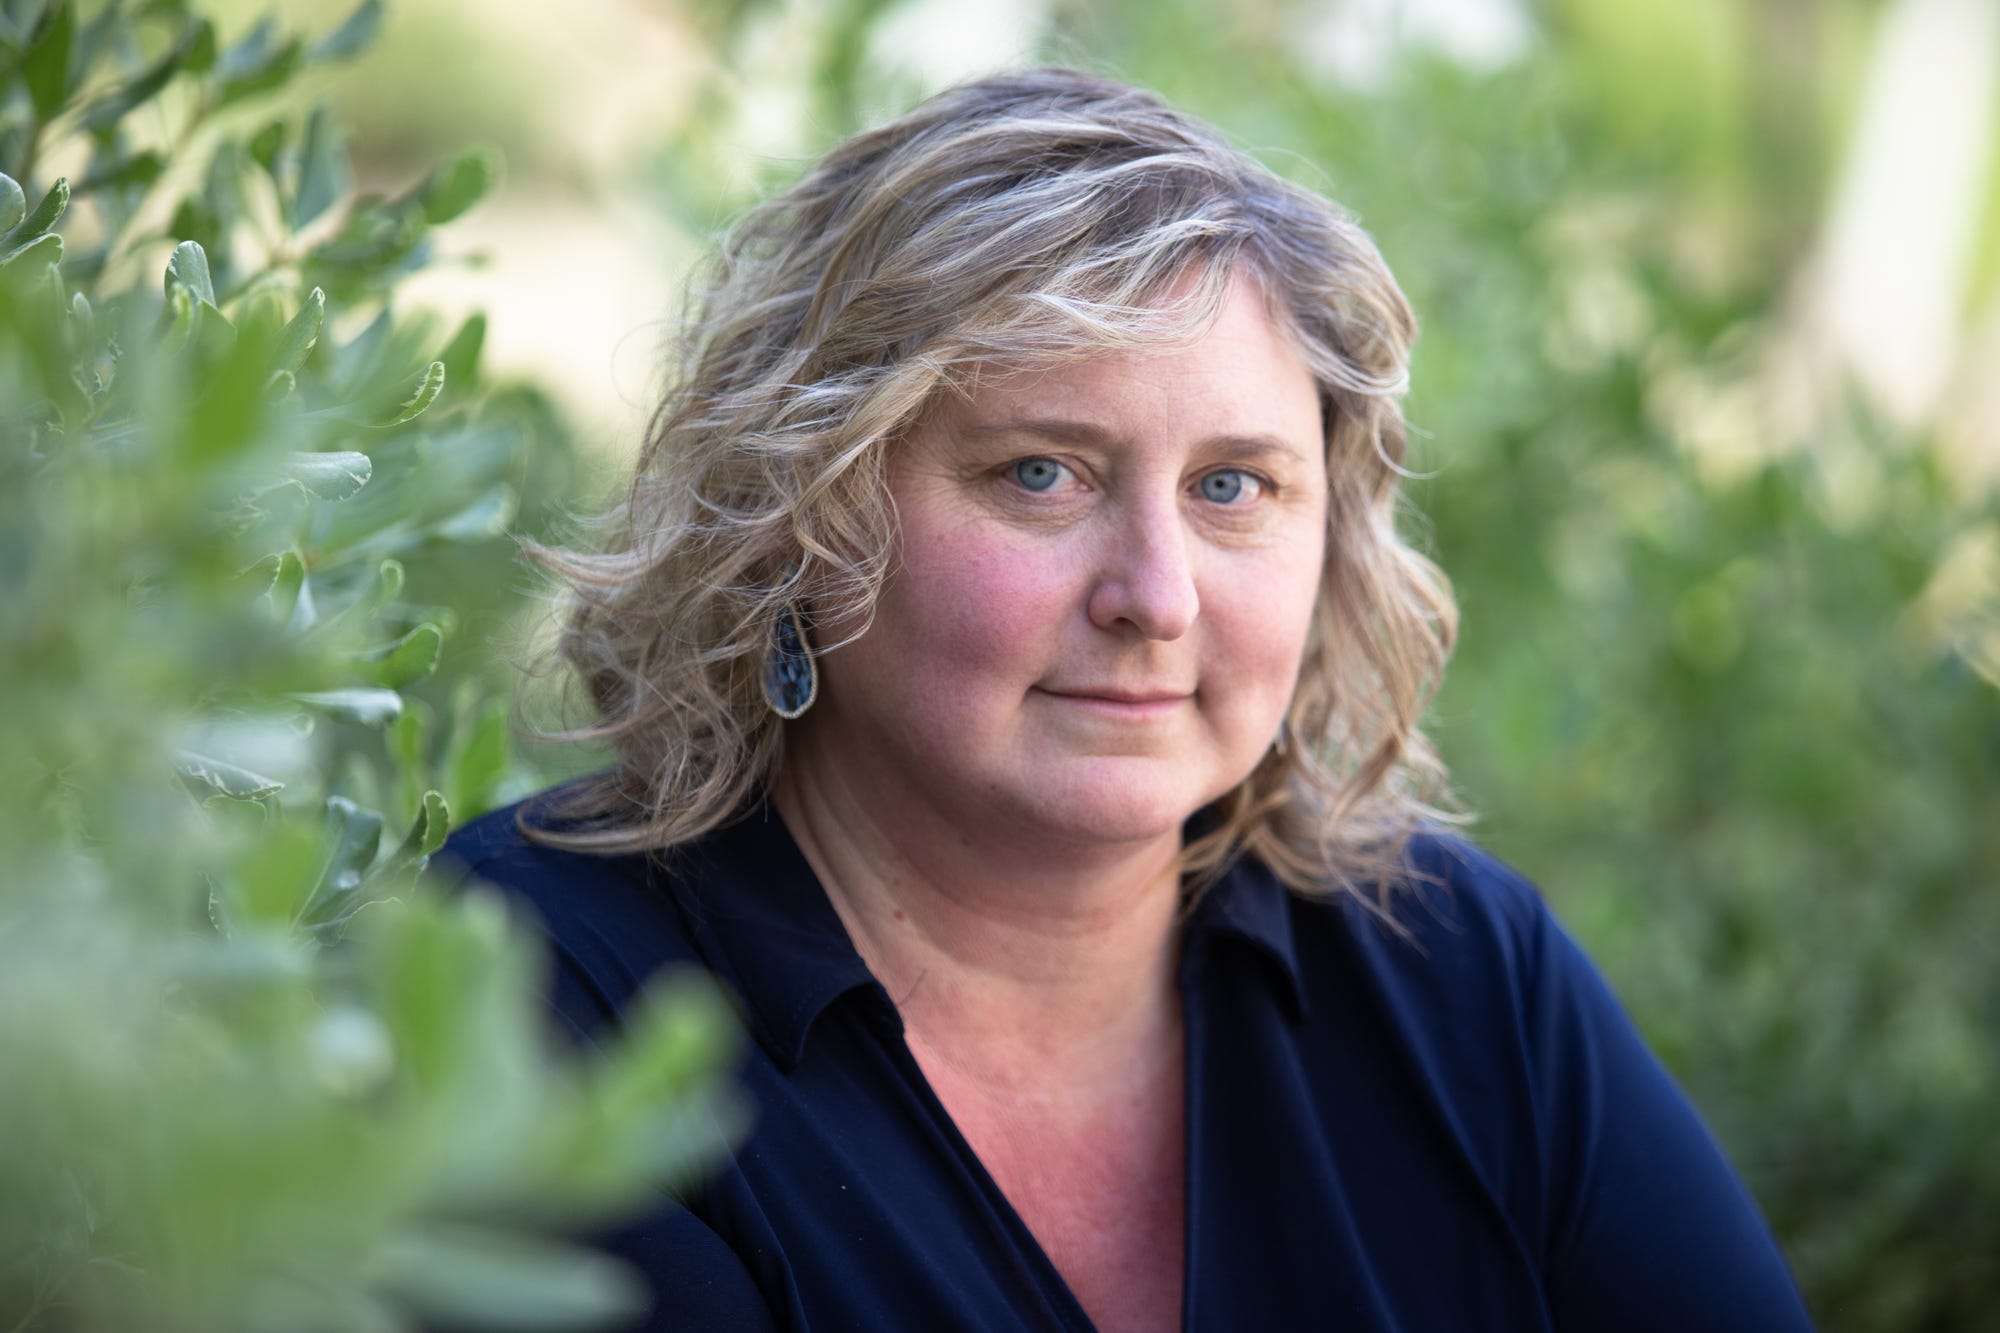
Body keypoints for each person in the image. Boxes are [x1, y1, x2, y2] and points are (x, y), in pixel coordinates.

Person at [439, 68, 1816, 1332]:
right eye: (1045, 473)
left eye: (1234, 486)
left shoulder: (1458, 977)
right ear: (800, 517)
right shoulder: (533, 993)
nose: (1157, 595)